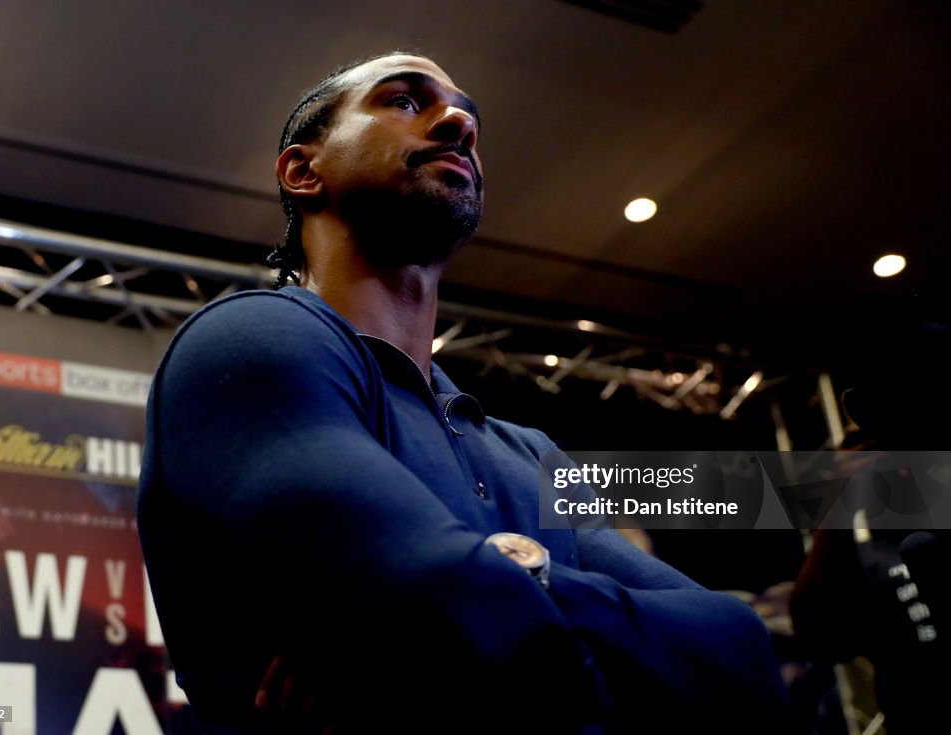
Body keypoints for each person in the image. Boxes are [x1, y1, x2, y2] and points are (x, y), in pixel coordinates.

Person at [138, 51, 789, 734]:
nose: (458, 124)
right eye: (405, 101)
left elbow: (736, 647)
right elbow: (427, 599)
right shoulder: (251, 338)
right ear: (304, 171)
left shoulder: (529, 453)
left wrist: (514, 574)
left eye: (468, 120)